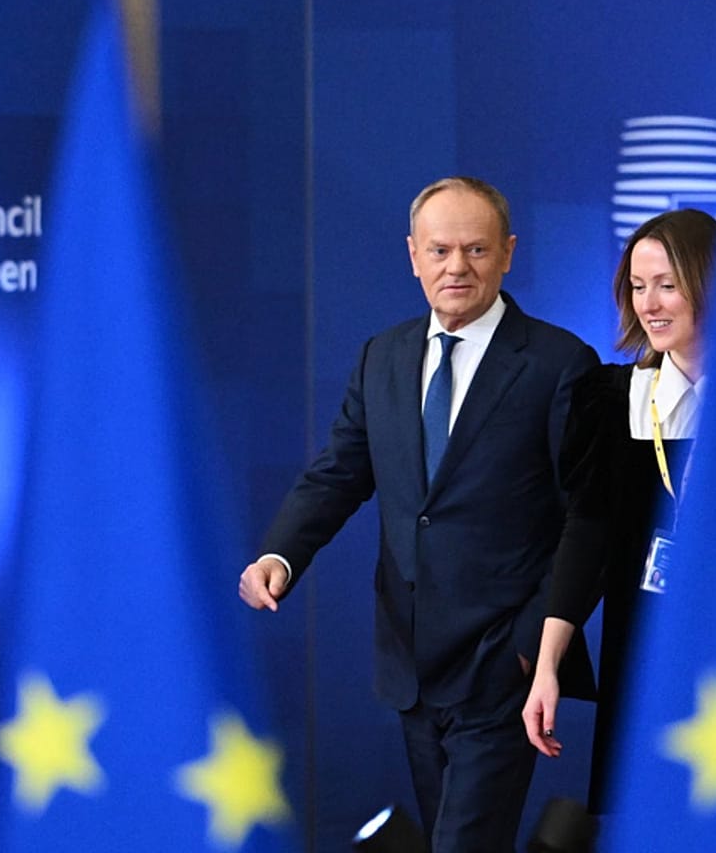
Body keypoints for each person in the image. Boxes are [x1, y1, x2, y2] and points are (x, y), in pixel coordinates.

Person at [238, 176, 600, 852]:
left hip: (502, 666)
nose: (456, 267)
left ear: (508, 252)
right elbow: (339, 472)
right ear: (412, 255)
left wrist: (530, 647)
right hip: (412, 664)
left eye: (475, 249)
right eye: (439, 250)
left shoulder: (559, 364)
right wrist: (280, 555)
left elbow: (584, 519)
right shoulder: (384, 355)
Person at [521, 209, 716, 813]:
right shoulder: (612, 399)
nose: (650, 304)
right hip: (642, 659)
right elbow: (586, 539)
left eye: (668, 284)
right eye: (638, 287)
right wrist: (548, 664)